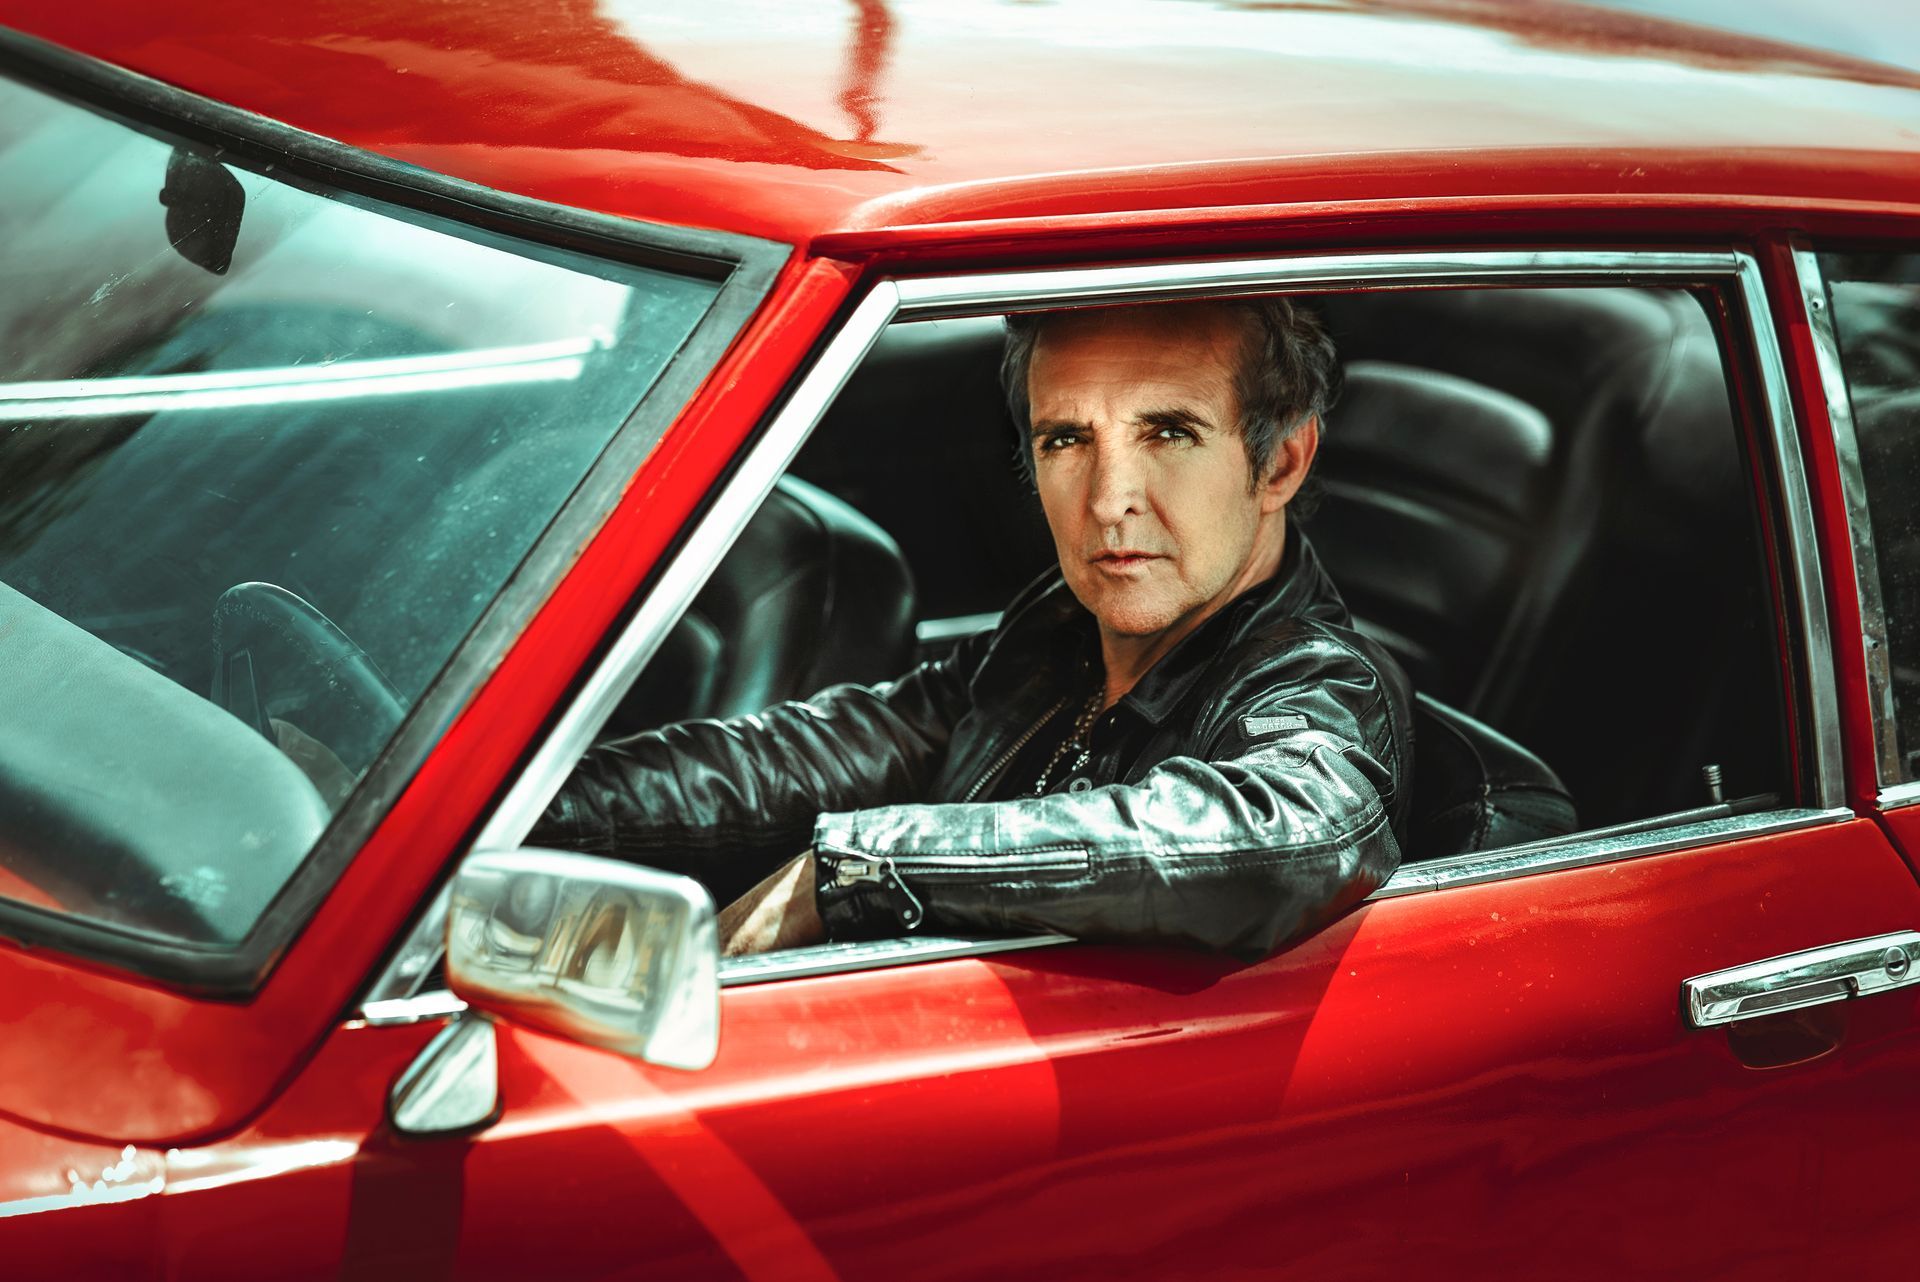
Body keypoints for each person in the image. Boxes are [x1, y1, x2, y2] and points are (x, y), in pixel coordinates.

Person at [534, 298, 1414, 960]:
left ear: (1281, 461)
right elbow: (838, 746)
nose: (1109, 500)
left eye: (1169, 433)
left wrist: (862, 866)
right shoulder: (1063, 627)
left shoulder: (1320, 682)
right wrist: (539, 806)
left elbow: (1287, 842)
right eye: (1067, 440)